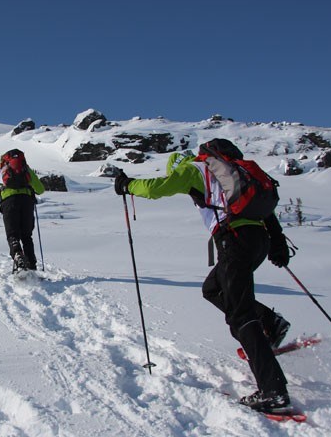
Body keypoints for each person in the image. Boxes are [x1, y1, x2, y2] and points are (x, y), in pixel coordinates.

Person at [114, 139, 294, 415]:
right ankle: (272, 323)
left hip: (234, 240)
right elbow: (266, 211)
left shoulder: (194, 169)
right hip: (257, 239)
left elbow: (155, 188)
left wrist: (128, 185)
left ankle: (273, 390)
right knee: (213, 288)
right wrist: (278, 243)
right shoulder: (235, 173)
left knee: (240, 315)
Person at [0, 149, 45, 271]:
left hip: (9, 202)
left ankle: (17, 255)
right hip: (26, 202)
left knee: (12, 234)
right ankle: (32, 266)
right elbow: (40, 189)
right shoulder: (25, 168)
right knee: (27, 236)